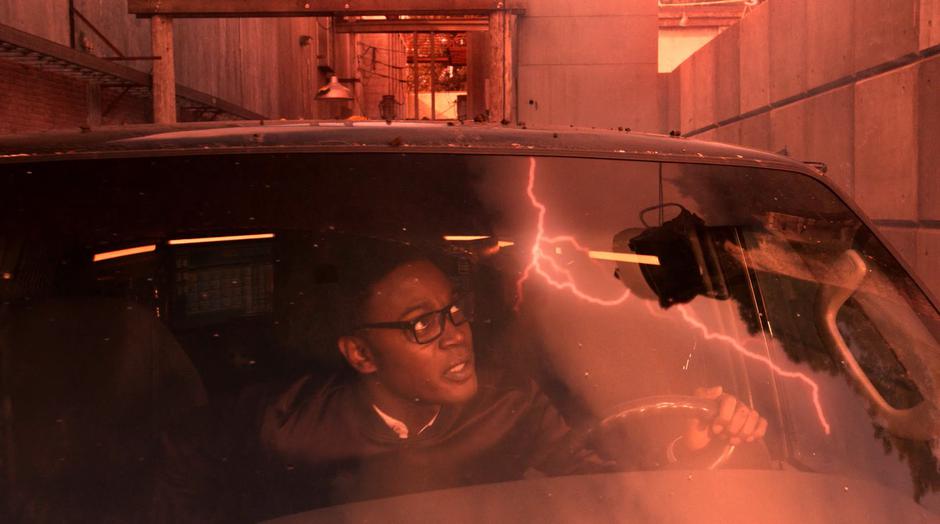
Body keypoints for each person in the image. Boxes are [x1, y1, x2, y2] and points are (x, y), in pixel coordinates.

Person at [155, 242, 767, 522]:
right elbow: (175, 464)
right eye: (422, 323)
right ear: (361, 354)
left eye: (454, 311)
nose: (456, 334)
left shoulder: (510, 409)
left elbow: (604, 488)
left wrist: (685, 450)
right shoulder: (284, 422)